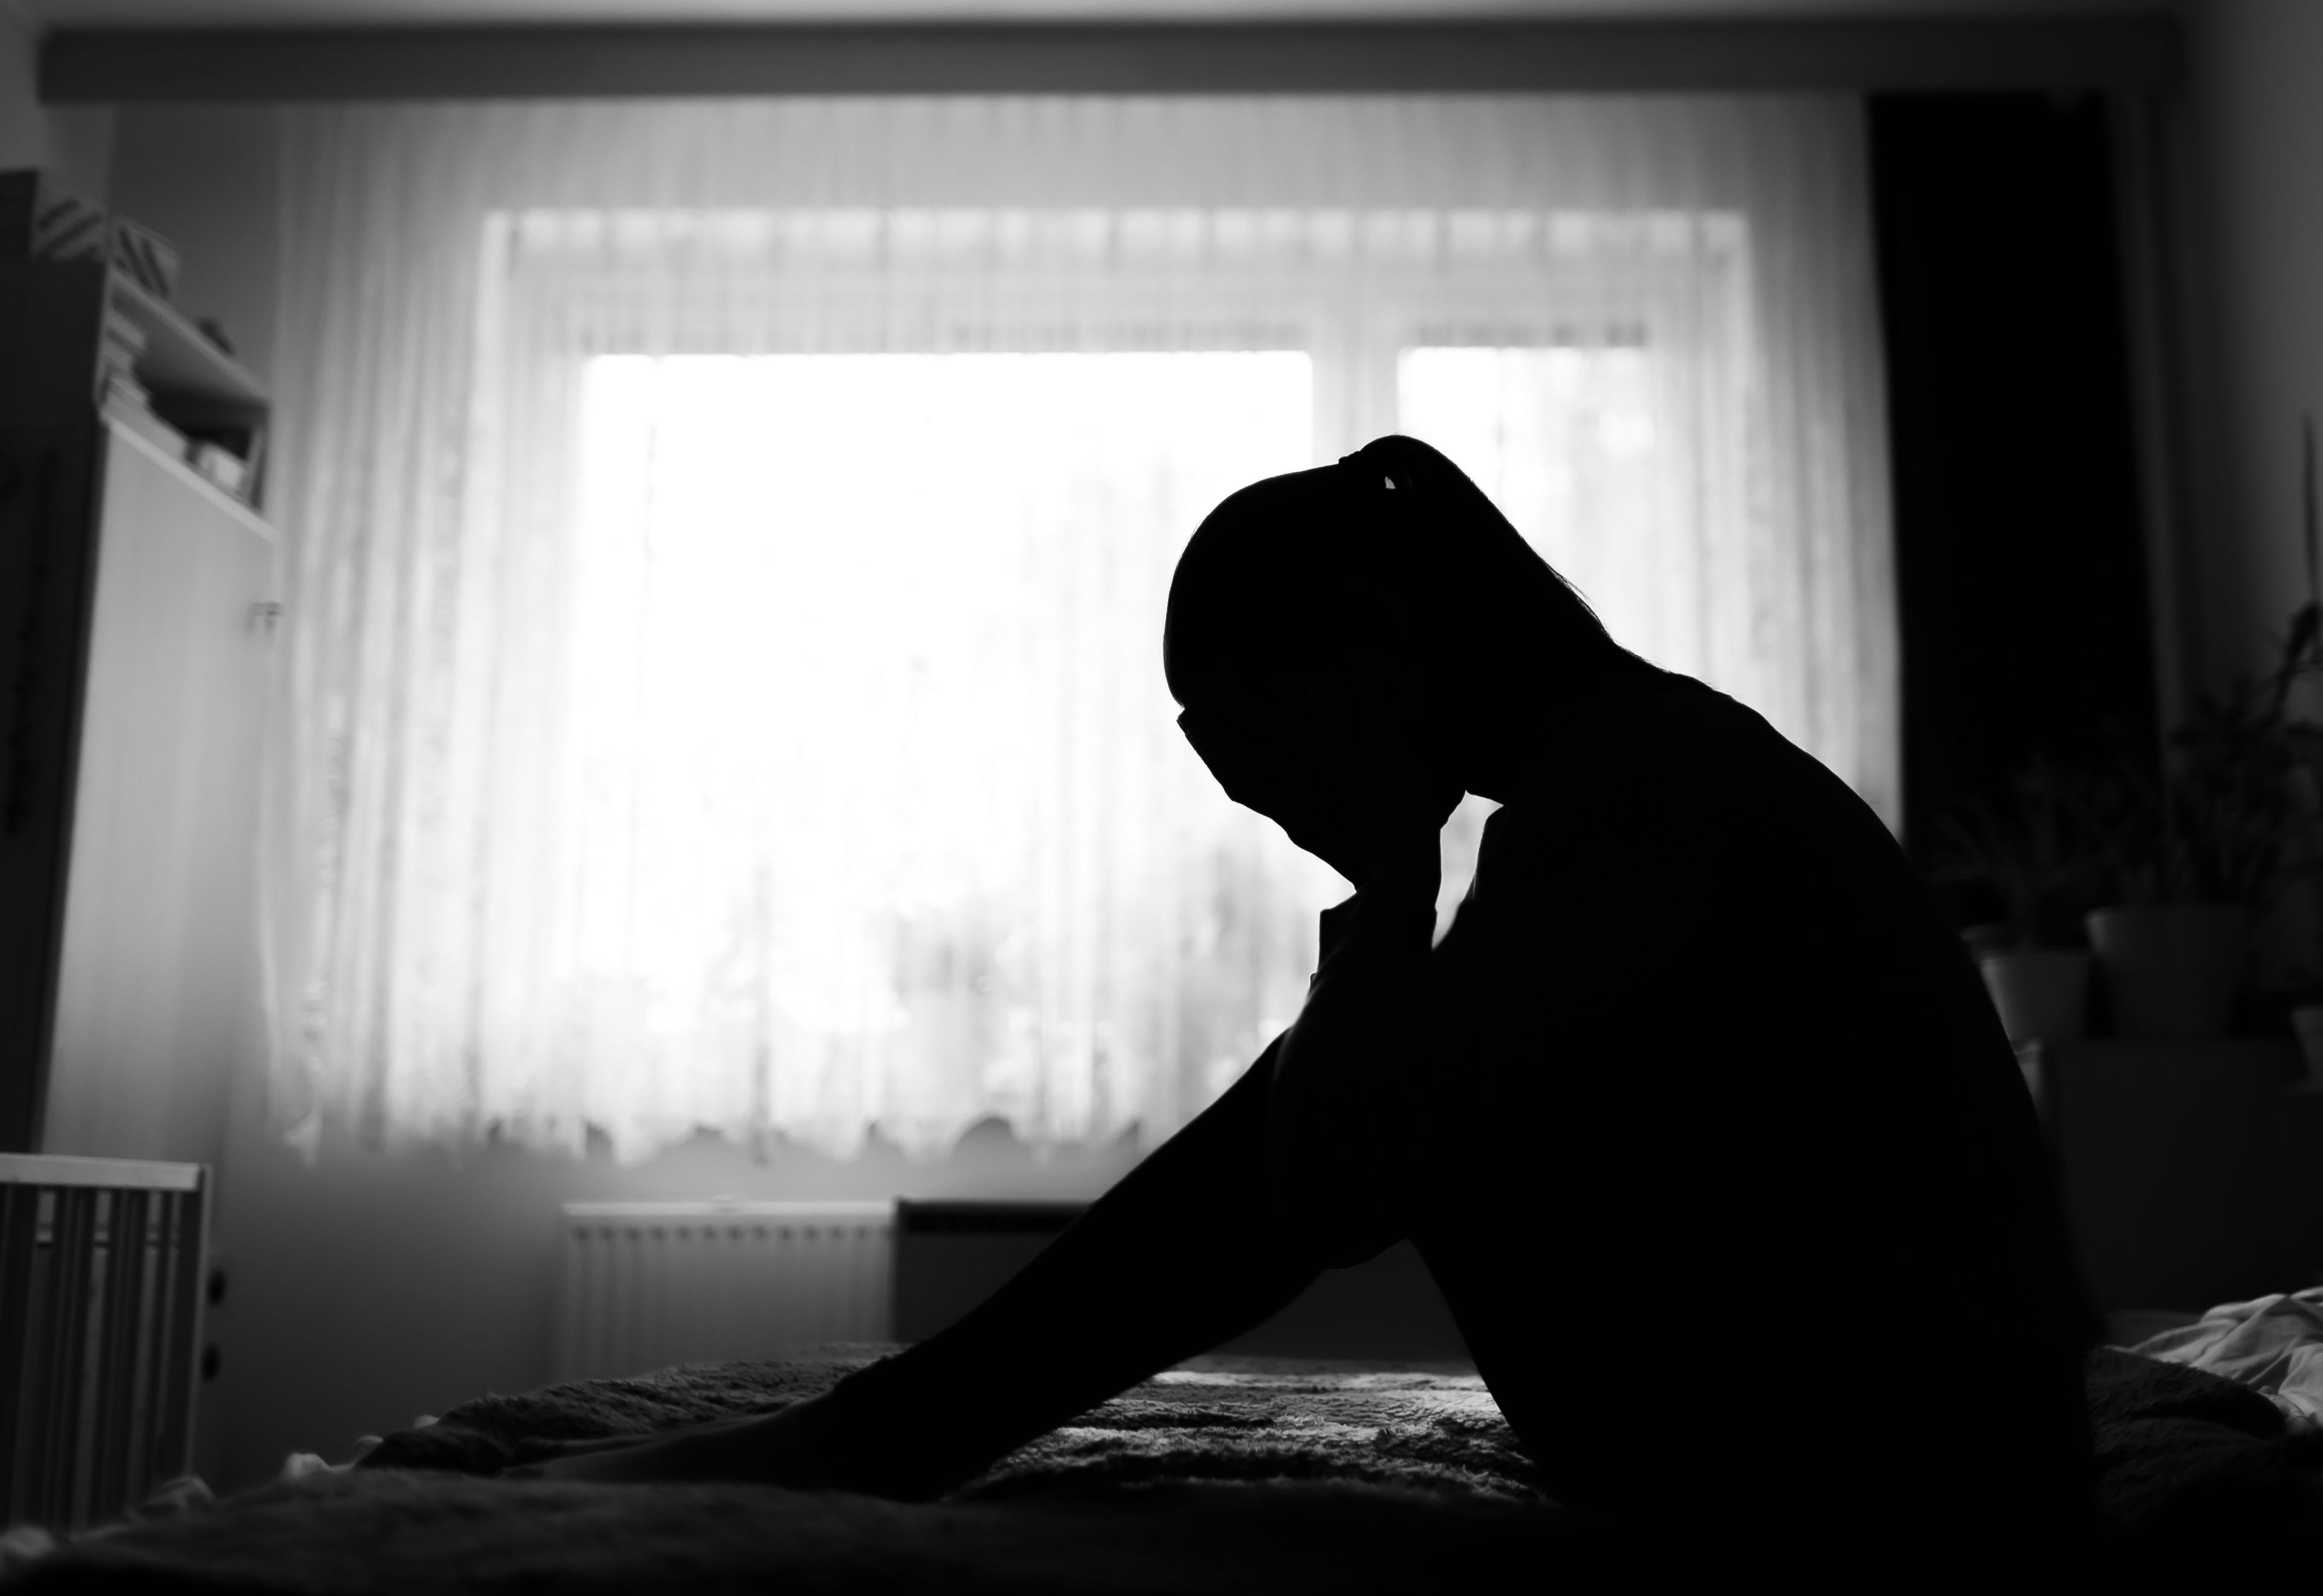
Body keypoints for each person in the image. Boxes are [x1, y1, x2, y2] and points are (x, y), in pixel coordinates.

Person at [530, 435, 2097, 1551]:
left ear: (1381, 659)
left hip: (1881, 1495)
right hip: (1896, 1449)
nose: (1276, 813)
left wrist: (1389, 890)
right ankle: (880, 1434)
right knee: (1374, 1081)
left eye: (1273, 759)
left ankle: (874, 1441)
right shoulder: (1632, 778)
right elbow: (1354, 1127)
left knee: (1362, 1102)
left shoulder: (1646, 803)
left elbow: (1335, 1170)